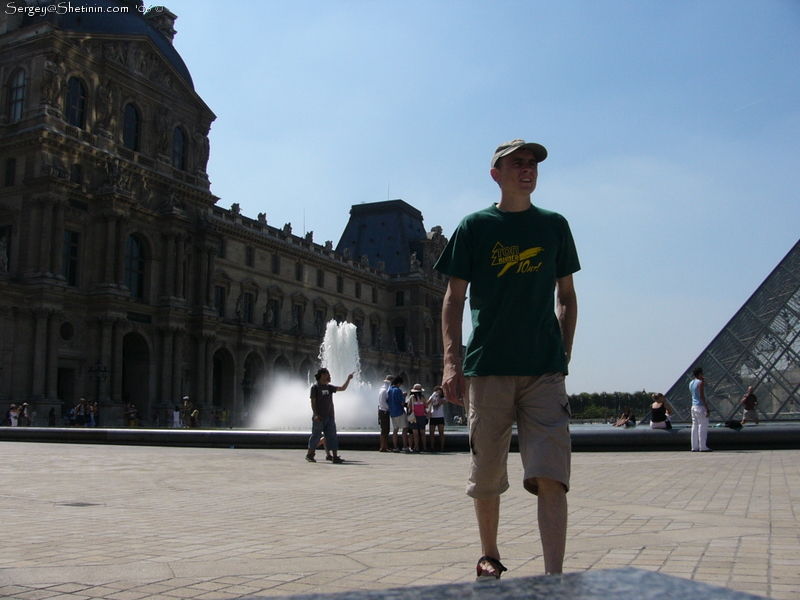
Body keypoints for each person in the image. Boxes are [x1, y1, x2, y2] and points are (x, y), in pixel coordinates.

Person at [436, 139, 579, 578]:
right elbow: (452, 298)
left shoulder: (555, 225)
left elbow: (568, 299)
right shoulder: (474, 226)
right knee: (487, 471)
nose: (528, 168)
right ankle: (490, 554)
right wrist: (450, 363)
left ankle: (554, 574)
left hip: (543, 372)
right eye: (517, 162)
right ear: (495, 173)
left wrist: (562, 355)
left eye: (533, 162)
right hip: (488, 367)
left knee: (552, 473)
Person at [305, 368, 354, 464]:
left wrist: (348, 379)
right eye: (327, 374)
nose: (328, 376)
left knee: (332, 436)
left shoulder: (329, 387)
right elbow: (313, 402)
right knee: (316, 436)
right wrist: (315, 414)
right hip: (319, 417)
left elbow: (342, 388)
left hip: (329, 417)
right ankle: (310, 454)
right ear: (322, 374)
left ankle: (335, 456)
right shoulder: (315, 388)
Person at [689, 367, 711, 452]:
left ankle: (694, 447)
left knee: (694, 427)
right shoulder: (700, 383)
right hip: (700, 407)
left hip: (693, 406)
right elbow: (701, 396)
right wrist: (707, 408)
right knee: (703, 426)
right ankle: (703, 447)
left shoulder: (691, 383)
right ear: (700, 374)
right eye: (702, 374)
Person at [387, 376, 410, 453]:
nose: (401, 385)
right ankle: (405, 446)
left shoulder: (389, 390)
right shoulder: (398, 390)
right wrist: (404, 396)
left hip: (392, 413)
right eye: (401, 384)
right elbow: (402, 403)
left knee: (395, 430)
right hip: (399, 412)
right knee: (405, 428)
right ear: (399, 383)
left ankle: (395, 447)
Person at [408, 384, 429, 453]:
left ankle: (416, 447)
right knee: (423, 433)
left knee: (415, 434)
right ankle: (425, 447)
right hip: (422, 416)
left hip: (414, 417)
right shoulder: (423, 397)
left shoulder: (411, 397)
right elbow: (426, 406)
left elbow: (409, 406)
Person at [428, 385, 446, 451]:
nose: (438, 392)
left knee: (441, 432)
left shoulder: (444, 398)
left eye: (440, 391)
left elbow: (441, 403)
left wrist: (438, 397)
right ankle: (432, 447)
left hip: (440, 416)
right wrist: (432, 397)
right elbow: (427, 404)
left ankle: (442, 447)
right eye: (437, 391)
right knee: (431, 433)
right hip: (433, 417)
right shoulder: (432, 397)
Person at [377, 375, 393, 452]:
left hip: (384, 411)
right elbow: (383, 403)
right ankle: (382, 447)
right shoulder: (384, 391)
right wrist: (390, 408)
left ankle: (385, 445)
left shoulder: (384, 389)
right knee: (384, 429)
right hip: (383, 411)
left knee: (386, 429)